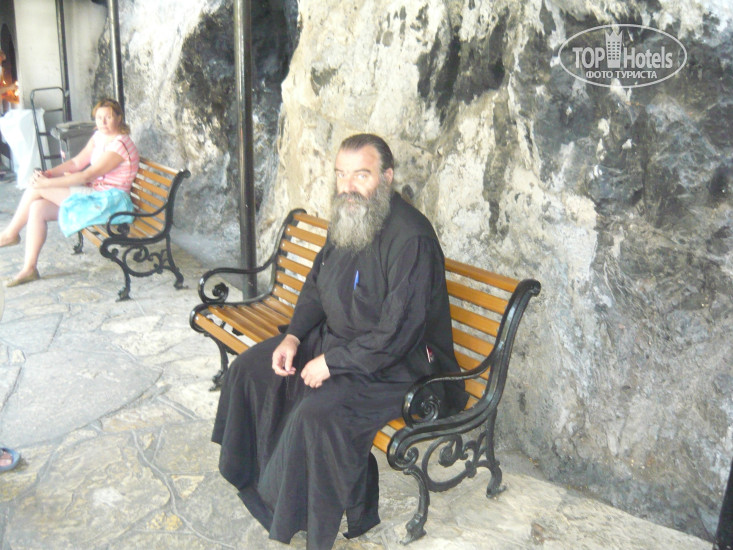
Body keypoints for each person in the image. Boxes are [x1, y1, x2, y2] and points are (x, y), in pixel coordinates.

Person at [212, 134, 467, 549]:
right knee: (251, 370)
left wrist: (332, 364)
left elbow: (398, 333)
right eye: (341, 175)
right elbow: (316, 286)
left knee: (317, 416)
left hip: (398, 368)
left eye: (361, 175)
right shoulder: (349, 218)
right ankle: (253, 478)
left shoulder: (412, 239)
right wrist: (293, 337)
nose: (348, 186)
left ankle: (300, 515)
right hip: (336, 343)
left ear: (386, 177)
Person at [0, 98, 139, 287]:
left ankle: (10, 234)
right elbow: (76, 163)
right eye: (99, 117)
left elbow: (87, 174)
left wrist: (47, 182)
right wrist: (48, 173)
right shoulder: (99, 137)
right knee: (37, 207)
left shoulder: (119, 145)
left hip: (111, 201)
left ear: (119, 118)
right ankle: (29, 269)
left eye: (108, 117)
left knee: (38, 187)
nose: (103, 122)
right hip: (96, 194)